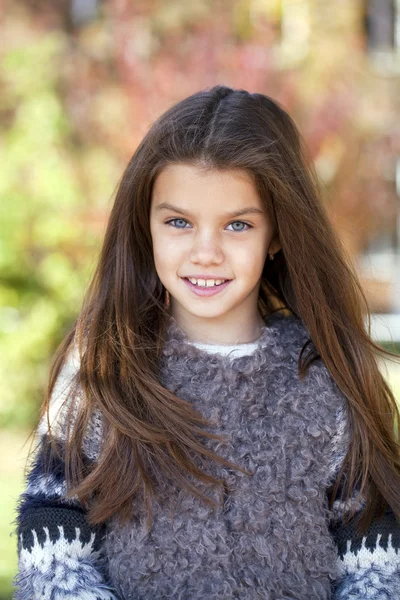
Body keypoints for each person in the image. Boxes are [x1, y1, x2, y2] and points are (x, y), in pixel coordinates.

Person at [12, 85, 400, 600]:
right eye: (178, 222)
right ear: (145, 225)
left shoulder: (326, 378)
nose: (205, 252)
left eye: (237, 225)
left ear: (278, 234)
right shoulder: (103, 370)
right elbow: (51, 539)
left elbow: (377, 561)